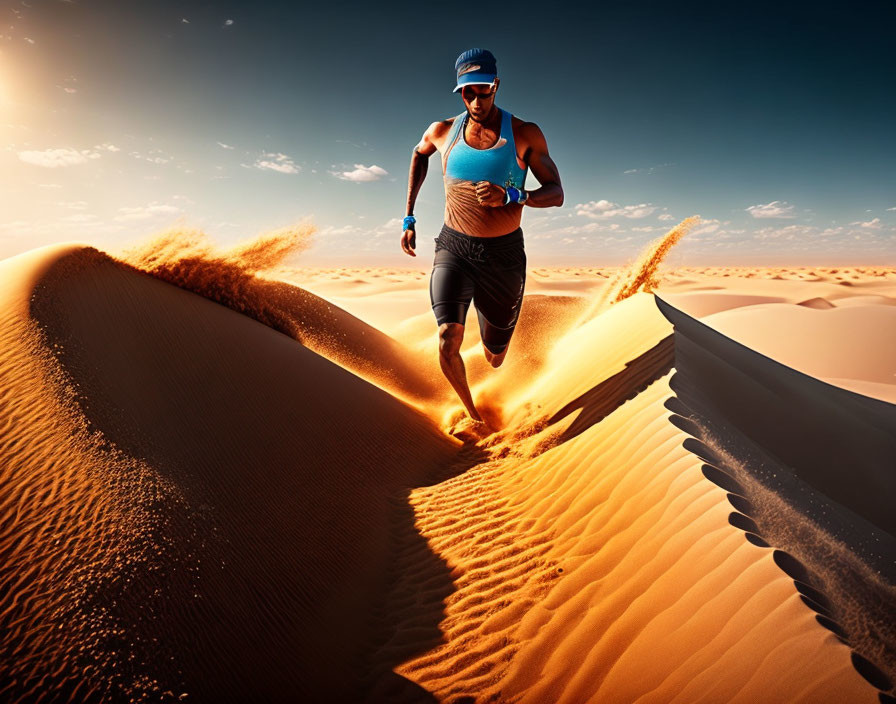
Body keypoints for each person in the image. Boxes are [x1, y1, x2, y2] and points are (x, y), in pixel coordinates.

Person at [400, 48, 564, 426]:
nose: (476, 100)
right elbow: (418, 154)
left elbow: (556, 193)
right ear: (459, 92)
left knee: (495, 356)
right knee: (447, 337)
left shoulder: (524, 133)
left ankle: (491, 339)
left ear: (497, 85)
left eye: (484, 91)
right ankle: (473, 417)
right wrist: (409, 216)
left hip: (503, 257)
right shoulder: (442, 131)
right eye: (467, 92)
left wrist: (512, 195)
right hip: (454, 248)